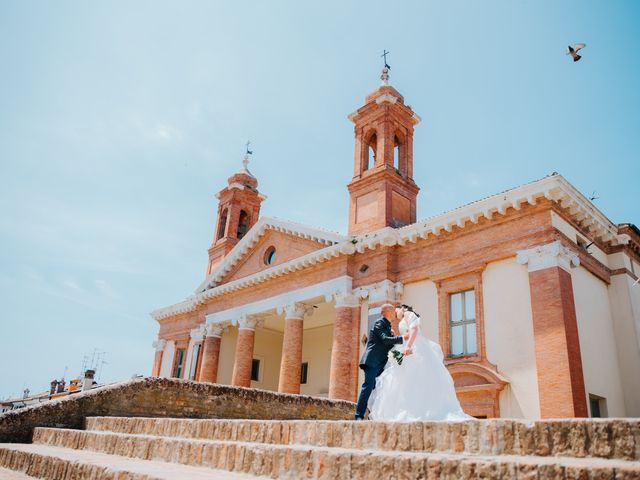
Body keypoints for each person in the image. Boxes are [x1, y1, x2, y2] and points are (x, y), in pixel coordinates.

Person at [367, 305, 472, 421]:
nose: (395, 315)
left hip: (414, 350)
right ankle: (407, 409)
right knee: (404, 382)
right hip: (407, 349)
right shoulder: (403, 319)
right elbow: (406, 334)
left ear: (402, 308)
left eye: (396, 311)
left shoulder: (408, 314)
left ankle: (414, 411)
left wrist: (408, 346)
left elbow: (414, 330)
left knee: (413, 379)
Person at [354, 303, 407, 420]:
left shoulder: (388, 326)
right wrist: (403, 339)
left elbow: (387, 344)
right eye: (393, 310)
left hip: (381, 363)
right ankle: (359, 415)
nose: (395, 313)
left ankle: (372, 415)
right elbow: (385, 340)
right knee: (368, 387)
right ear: (388, 311)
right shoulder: (379, 323)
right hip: (372, 361)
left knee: (377, 389)